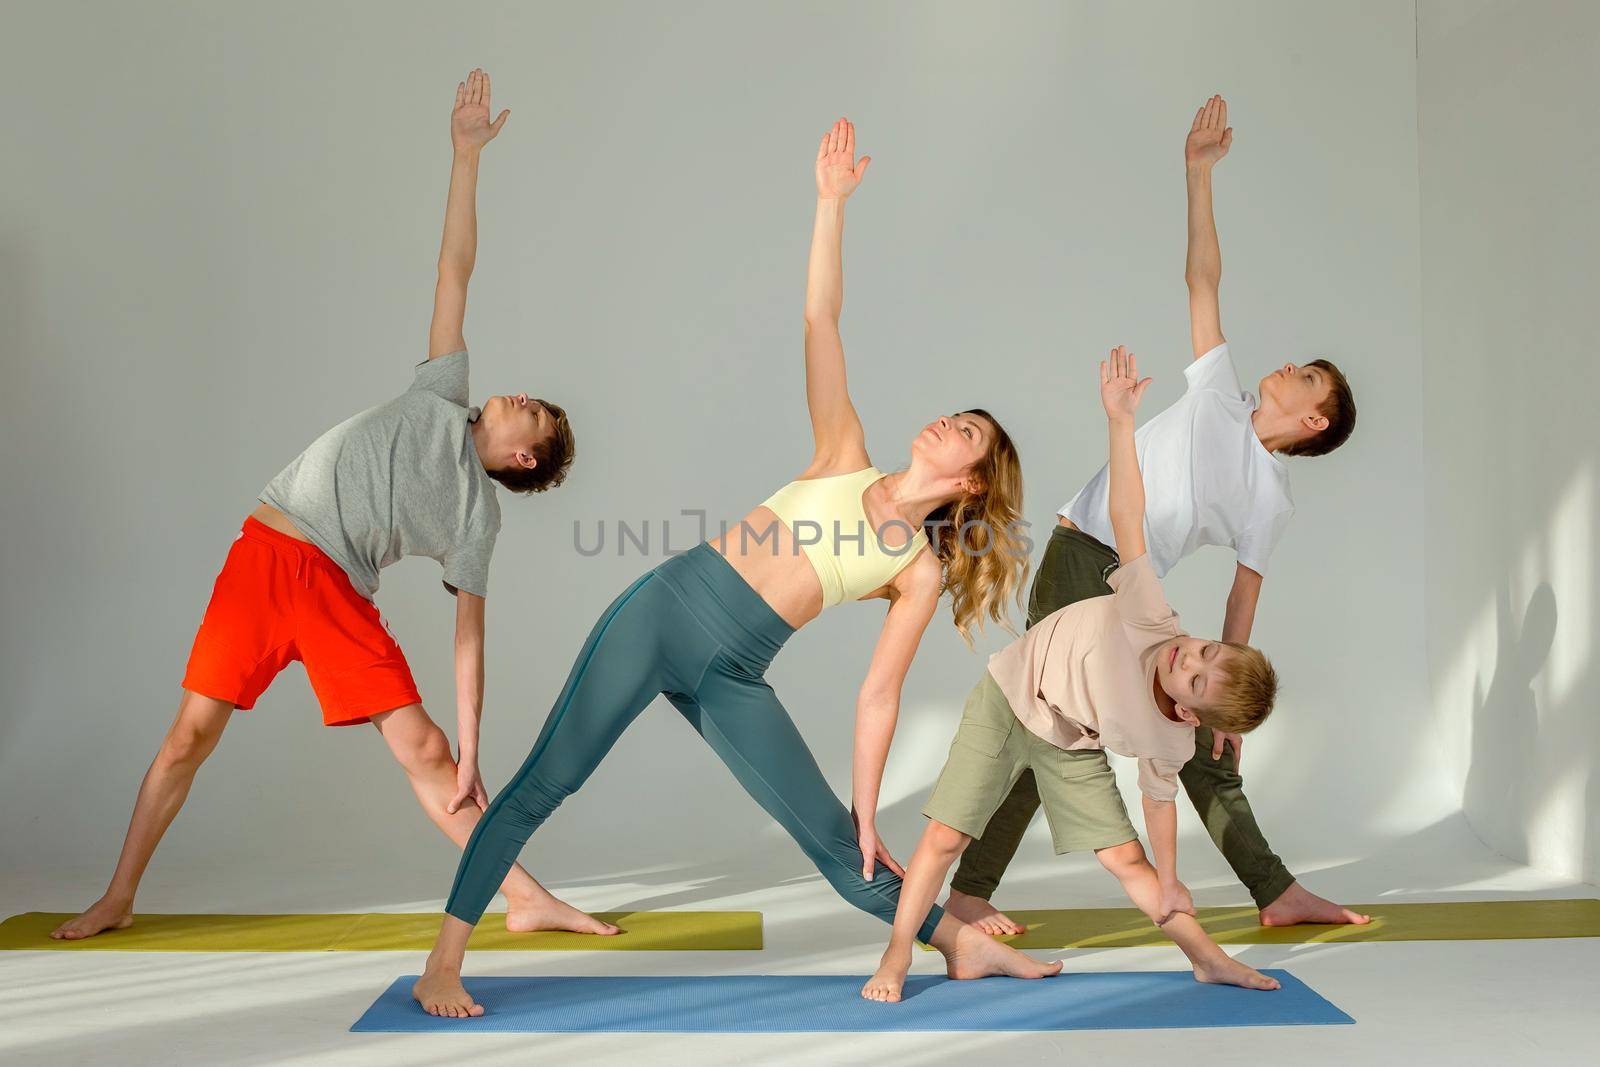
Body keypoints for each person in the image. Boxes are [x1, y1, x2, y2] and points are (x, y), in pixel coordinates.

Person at [412, 119, 1060, 1019]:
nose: (944, 421)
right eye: (953, 413)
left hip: (735, 670)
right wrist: (830, 205)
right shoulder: (845, 454)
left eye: (966, 430)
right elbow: (818, 318)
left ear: (974, 475)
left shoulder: (915, 569)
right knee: (543, 784)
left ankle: (959, 944)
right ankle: (443, 961)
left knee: (846, 843)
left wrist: (870, 808)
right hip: (666, 612)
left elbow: (879, 697)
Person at [50, 69, 593, 942]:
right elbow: (455, 270)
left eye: (525, 409)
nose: (514, 393)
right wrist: (464, 160)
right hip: (268, 553)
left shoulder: (476, 519)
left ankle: (524, 896)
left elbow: (469, 638)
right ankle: (117, 895)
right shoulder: (444, 389)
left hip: (335, 590)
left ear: (520, 457)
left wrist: (475, 745)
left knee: (427, 754)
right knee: (189, 734)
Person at [944, 95, 1366, 936]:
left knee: (1170, 735)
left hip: (1137, 585)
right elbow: (1201, 277)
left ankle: (1271, 888)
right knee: (1051, 726)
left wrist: (1223, 692)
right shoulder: (1218, 389)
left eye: (1308, 379)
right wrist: (1197, 174)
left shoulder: (1268, 498)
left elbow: (1241, 604)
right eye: (1299, 367)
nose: (1289, 369)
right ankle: (967, 891)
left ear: (1314, 424)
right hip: (1083, 555)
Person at [864, 346, 1281, 1003]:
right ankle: (895, 956)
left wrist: (1170, 876)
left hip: (1068, 740)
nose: (1189, 659)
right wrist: (1119, 422)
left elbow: (1160, 804)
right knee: (944, 837)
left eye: (1198, 679)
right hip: (1007, 701)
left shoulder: (1171, 741)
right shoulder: (1153, 618)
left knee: (1131, 862)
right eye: (1206, 650)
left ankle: (1206, 958)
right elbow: (1126, 519)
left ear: (1193, 717)